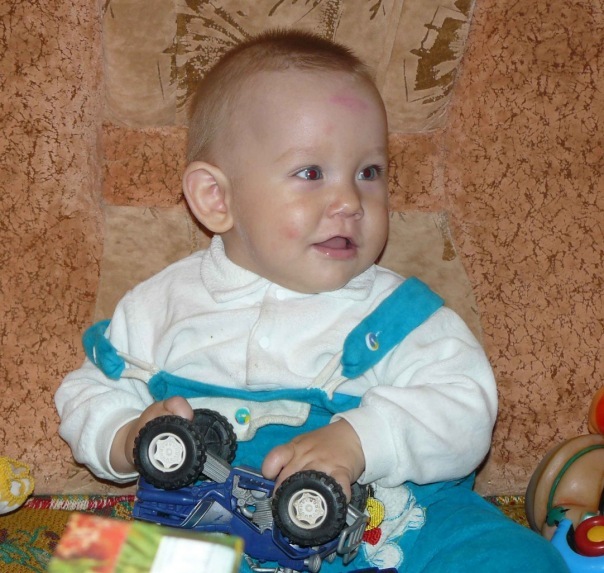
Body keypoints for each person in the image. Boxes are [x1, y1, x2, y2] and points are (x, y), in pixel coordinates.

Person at [55, 29, 568, 573]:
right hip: (211, 531)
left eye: (368, 172)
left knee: (512, 558)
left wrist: (359, 440)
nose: (349, 201)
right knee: (94, 557)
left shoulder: (400, 316)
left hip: (393, 531)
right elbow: (86, 391)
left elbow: (465, 409)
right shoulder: (160, 306)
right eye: (310, 173)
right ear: (217, 198)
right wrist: (124, 436)